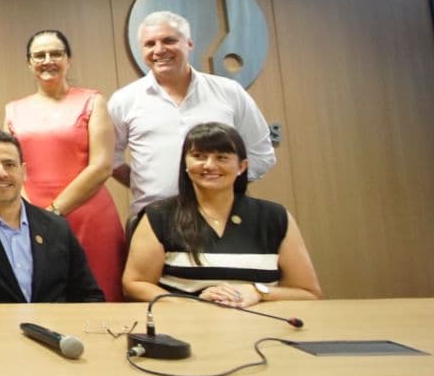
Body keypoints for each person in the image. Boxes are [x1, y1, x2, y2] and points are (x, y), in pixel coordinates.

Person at [122, 122, 322, 307]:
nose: (209, 165)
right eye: (199, 156)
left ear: (241, 167)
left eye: (222, 158)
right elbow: (135, 284)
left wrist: (258, 292)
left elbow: (307, 292)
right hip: (186, 326)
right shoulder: (159, 216)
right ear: (185, 163)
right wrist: (196, 305)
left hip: (262, 327)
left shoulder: (274, 217)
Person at [108, 11, 276, 218]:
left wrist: (221, 182)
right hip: (152, 218)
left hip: (223, 216)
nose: (159, 50)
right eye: (149, 44)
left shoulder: (229, 92)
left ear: (189, 43)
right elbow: (110, 160)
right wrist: (144, 185)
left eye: (169, 40)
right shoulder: (124, 100)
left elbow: (262, 154)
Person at [4, 29, 127, 300]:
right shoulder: (13, 109)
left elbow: (102, 166)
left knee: (98, 296)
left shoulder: (93, 101)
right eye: (39, 55)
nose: (47, 60)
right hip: (30, 219)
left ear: (68, 59)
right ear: (29, 63)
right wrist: (32, 214)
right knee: (41, 297)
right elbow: (10, 168)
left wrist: (53, 212)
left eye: (56, 53)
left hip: (89, 215)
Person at [0, 132, 104, 303]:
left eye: (9, 164)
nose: (1, 173)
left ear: (24, 171)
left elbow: (89, 295)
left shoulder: (57, 227)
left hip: (53, 329)